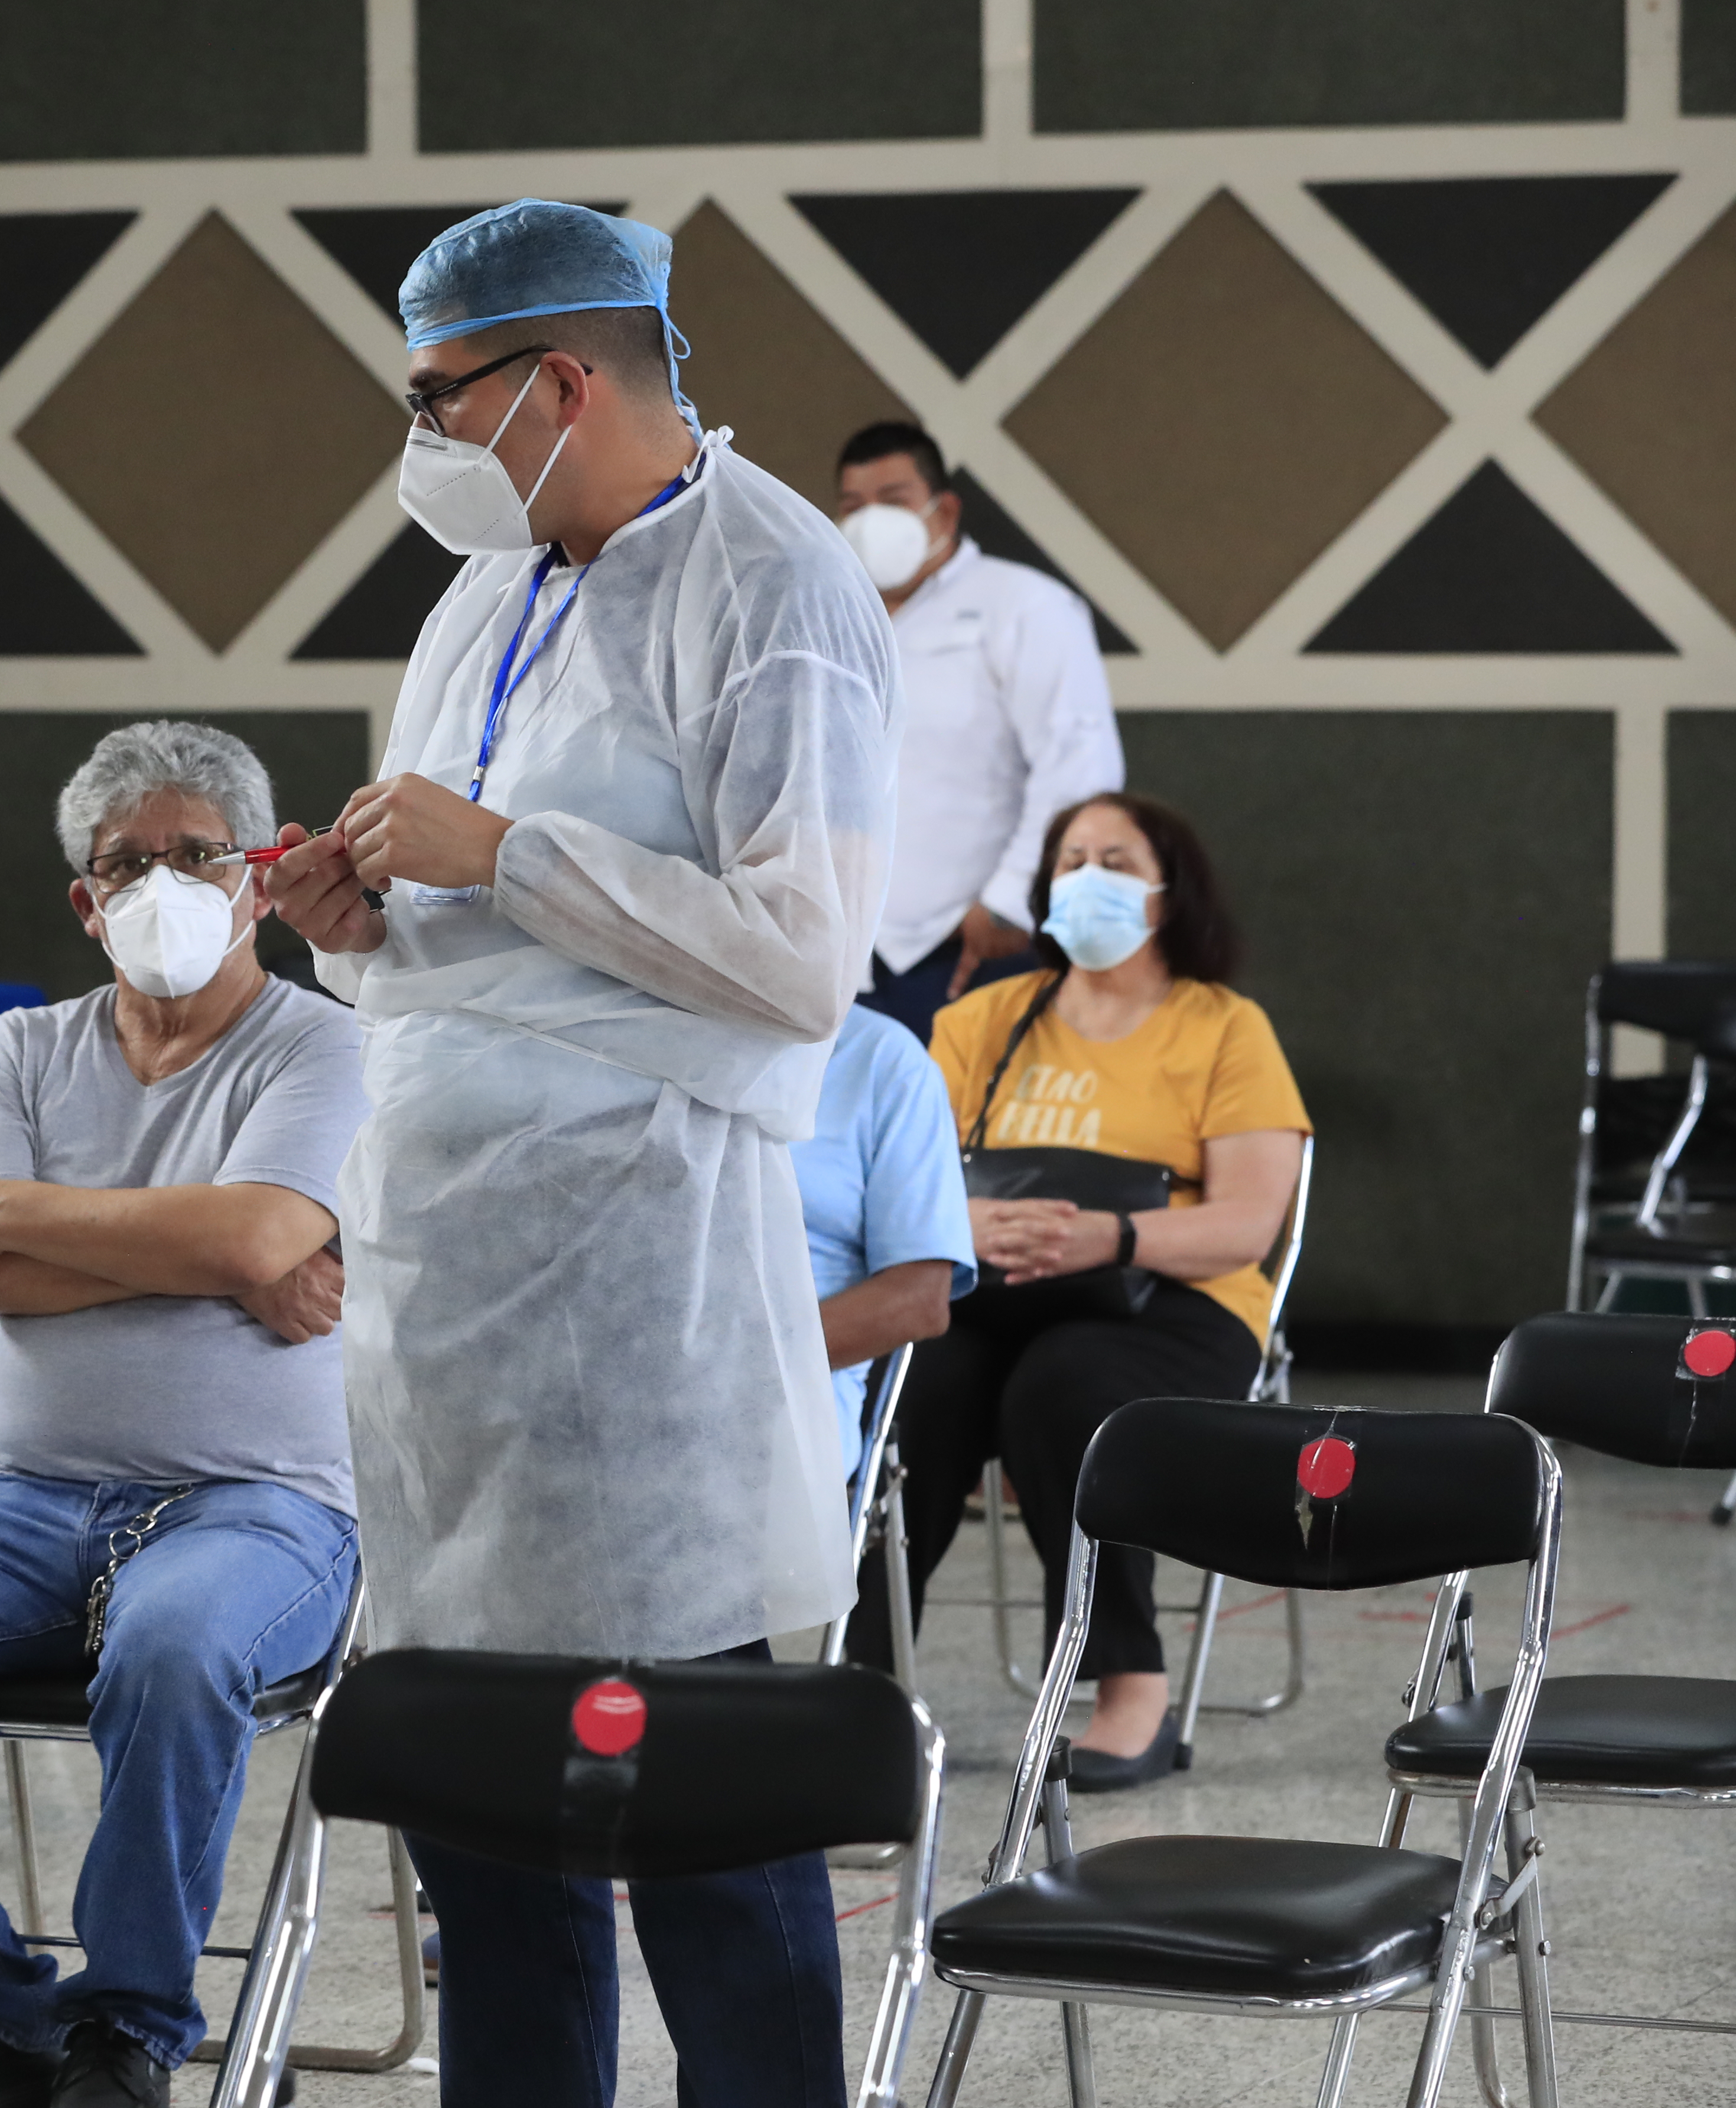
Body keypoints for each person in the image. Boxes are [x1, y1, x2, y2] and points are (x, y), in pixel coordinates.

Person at [263, 200, 895, 2108]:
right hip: (445, 1282)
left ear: (560, 380)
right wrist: (350, 916)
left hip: (640, 1286)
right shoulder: (488, 588)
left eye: (438, 397)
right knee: (486, 1810)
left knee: (686, 1791)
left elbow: (801, 958)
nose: (423, 439)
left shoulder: (779, 587)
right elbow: (451, 934)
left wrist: (503, 853)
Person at [0, 723, 364, 2108]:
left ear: (255, 874)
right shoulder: (15, 1052)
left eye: (196, 855)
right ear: (84, 897)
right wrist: (206, 1248)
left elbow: (249, 1238)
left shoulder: (326, 1051)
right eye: (128, 863)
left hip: (262, 1503)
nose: (162, 884)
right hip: (28, 1496)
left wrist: (38, 1232)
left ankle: (127, 2031)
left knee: (173, 1651)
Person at [846, 792, 1309, 1788]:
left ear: (1166, 891)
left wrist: (1116, 1235)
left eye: (1113, 857)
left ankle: (1128, 1686)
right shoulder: (980, 1019)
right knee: (916, 1386)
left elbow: (1247, 1225)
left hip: (1174, 1300)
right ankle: (863, 1689)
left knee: (1063, 1387)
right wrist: (960, 1226)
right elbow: (901, 1182)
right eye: (1068, 858)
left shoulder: (1225, 1027)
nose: (1084, 874)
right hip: (994, 1285)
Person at [834, 423, 1124, 1043]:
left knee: (974, 1135)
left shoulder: (1025, 606)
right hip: (844, 953)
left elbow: (1080, 766)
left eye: (894, 499)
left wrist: (1011, 904)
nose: (871, 520)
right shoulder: (831, 616)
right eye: (853, 506)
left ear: (945, 509)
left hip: (974, 949)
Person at [791, 1003, 977, 1482]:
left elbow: (919, 1299)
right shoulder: (604, 1030)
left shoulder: (880, 1059)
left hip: (779, 1400)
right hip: (601, 1375)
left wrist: (721, 1367)